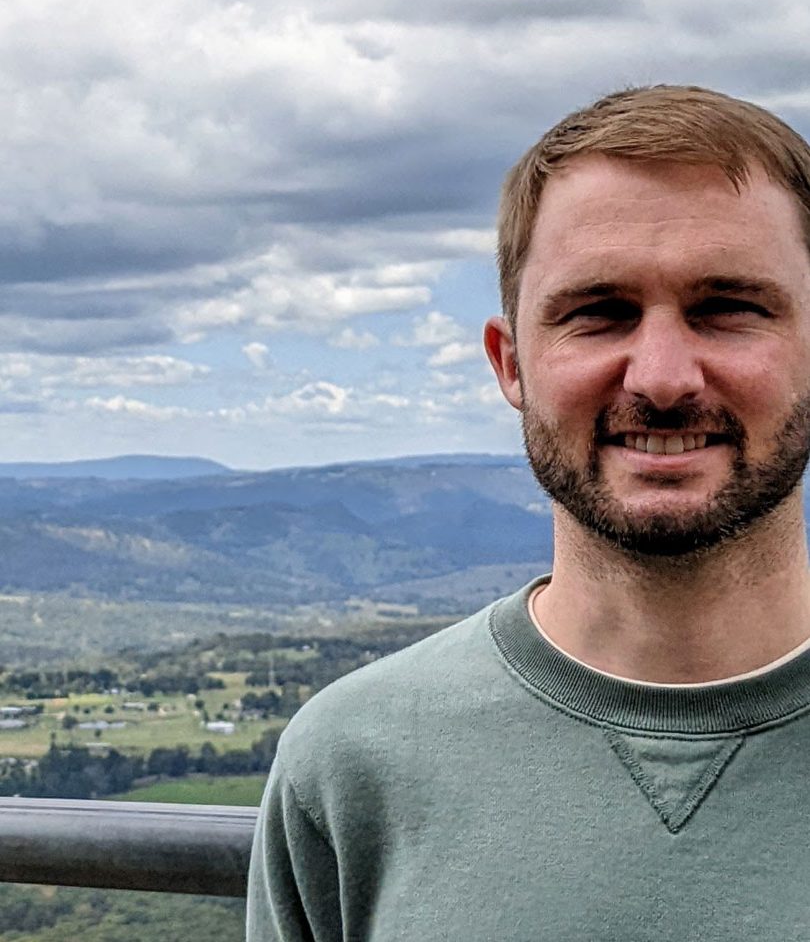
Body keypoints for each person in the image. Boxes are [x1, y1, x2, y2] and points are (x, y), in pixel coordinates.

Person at [246, 85, 810, 940]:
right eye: (599, 313)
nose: (663, 378)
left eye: (728, 309)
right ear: (511, 364)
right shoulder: (350, 764)